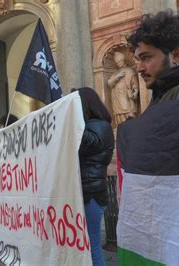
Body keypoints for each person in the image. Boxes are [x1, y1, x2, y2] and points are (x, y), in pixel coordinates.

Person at [73, 87, 114, 266]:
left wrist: (72, 119)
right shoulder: (94, 125)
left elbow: (89, 143)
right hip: (89, 191)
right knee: (88, 245)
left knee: (93, 247)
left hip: (92, 194)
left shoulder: (100, 126)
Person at [107, 52, 139, 125]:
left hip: (126, 96)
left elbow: (134, 83)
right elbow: (109, 83)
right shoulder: (115, 73)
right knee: (119, 115)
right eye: (117, 62)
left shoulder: (129, 71)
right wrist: (118, 77)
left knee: (129, 112)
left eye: (119, 61)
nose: (118, 63)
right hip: (116, 97)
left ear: (123, 60)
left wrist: (136, 91)